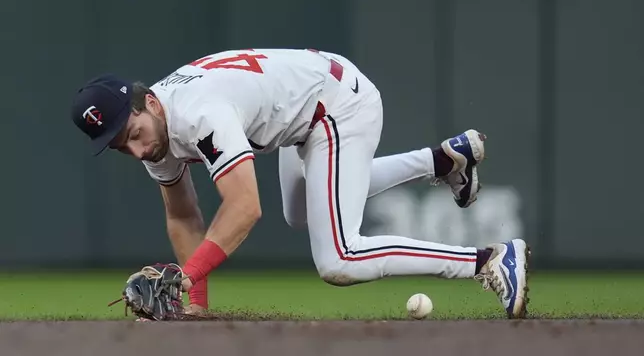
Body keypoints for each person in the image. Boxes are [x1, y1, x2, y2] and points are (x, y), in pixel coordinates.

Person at [70, 48, 530, 319]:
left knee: (339, 258)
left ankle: (489, 260)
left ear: (149, 102)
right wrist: (196, 303)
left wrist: (185, 277)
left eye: (131, 134)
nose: (134, 150)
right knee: (304, 212)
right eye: (118, 146)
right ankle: (443, 161)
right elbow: (183, 214)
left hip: (335, 106)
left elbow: (245, 206)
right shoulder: (152, 132)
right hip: (299, 111)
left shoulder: (198, 114)